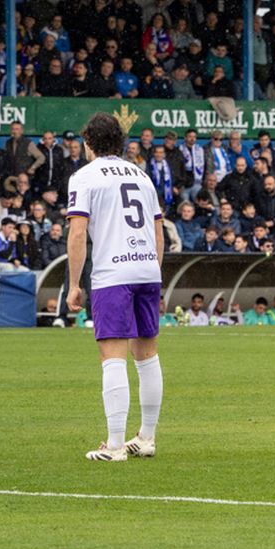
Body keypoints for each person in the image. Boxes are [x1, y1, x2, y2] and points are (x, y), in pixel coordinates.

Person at [65, 112, 166, 462]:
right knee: (147, 355)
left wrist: (74, 283)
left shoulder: (84, 177)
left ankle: (114, 444)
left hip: (113, 273)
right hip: (147, 270)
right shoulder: (142, 175)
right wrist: (156, 274)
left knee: (113, 357)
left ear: (89, 143)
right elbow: (158, 232)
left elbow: (77, 233)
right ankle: (148, 437)